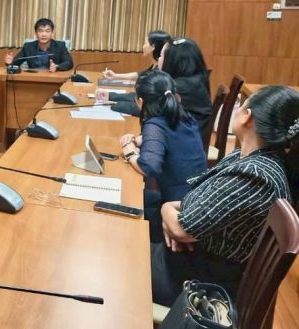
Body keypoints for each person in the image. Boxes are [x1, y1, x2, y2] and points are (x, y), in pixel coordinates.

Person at [151, 85, 298, 306]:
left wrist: (167, 211)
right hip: (191, 263)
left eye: (241, 106)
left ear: (247, 116)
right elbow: (198, 207)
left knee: (114, 257)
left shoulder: (254, 175)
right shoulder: (246, 157)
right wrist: (173, 218)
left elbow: (182, 229)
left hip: (196, 284)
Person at [118, 70, 206, 242]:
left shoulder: (154, 125)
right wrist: (139, 139)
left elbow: (149, 167)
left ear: (140, 102)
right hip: (195, 200)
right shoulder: (184, 116)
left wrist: (129, 152)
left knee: (125, 203)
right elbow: (170, 136)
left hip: (177, 209)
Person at [99, 30, 172, 116]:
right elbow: (140, 76)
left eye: (145, 43)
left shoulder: (160, 74)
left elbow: (145, 107)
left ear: (153, 46)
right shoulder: (155, 67)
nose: (143, 46)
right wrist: (111, 95)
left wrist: (112, 104)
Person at [159, 37, 213, 144]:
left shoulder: (179, 87)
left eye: (161, 55)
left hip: (184, 145)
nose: (159, 59)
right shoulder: (193, 81)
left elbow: (150, 107)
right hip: (190, 139)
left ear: (173, 61)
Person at [4, 18, 73, 72]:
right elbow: (16, 63)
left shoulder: (60, 46)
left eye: (47, 31)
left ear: (52, 33)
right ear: (36, 33)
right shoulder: (28, 47)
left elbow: (69, 63)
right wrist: (10, 62)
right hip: (34, 79)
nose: (44, 34)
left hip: (53, 78)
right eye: (40, 31)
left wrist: (57, 67)